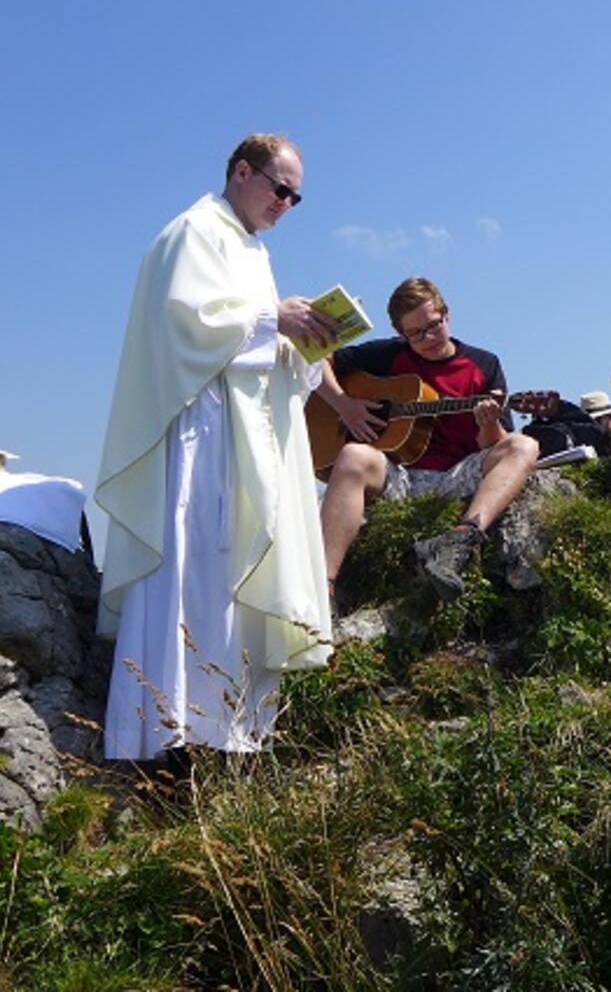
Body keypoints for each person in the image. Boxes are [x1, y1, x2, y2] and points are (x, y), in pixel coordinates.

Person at [97, 134, 336, 761]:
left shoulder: (249, 249)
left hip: (241, 436)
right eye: (279, 188)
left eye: (296, 195)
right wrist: (270, 320)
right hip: (201, 437)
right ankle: (165, 734)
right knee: (195, 568)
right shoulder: (194, 231)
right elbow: (183, 322)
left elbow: (250, 334)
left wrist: (301, 346)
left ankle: (228, 731)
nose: (287, 202)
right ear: (240, 172)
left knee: (230, 573)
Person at [318, 277, 539, 601]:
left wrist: (489, 424)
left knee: (524, 445)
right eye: (416, 334)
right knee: (353, 455)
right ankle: (322, 586)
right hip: (403, 476)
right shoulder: (388, 356)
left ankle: (462, 538)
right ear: (400, 334)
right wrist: (345, 405)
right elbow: (320, 358)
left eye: (433, 326)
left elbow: (494, 445)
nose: (428, 338)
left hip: (460, 473)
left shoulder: (484, 364)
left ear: (446, 314)